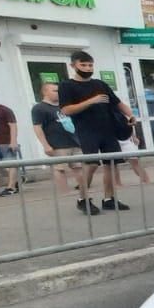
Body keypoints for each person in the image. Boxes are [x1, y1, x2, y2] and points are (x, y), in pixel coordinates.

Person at [57, 50, 134, 211]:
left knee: (111, 164)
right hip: (86, 130)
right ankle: (83, 199)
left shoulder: (100, 84)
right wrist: (91, 101)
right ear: (73, 65)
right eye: (83, 65)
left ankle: (109, 199)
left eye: (90, 65)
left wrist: (130, 115)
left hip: (107, 129)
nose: (87, 68)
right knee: (91, 164)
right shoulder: (66, 85)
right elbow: (66, 110)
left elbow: (117, 103)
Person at [31, 82, 95, 214]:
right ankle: (64, 193)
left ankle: (83, 195)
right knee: (60, 169)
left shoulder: (64, 106)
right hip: (57, 144)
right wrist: (45, 145)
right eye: (54, 90)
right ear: (45, 92)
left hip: (74, 142)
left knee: (80, 168)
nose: (58, 93)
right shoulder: (40, 108)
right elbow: (37, 127)